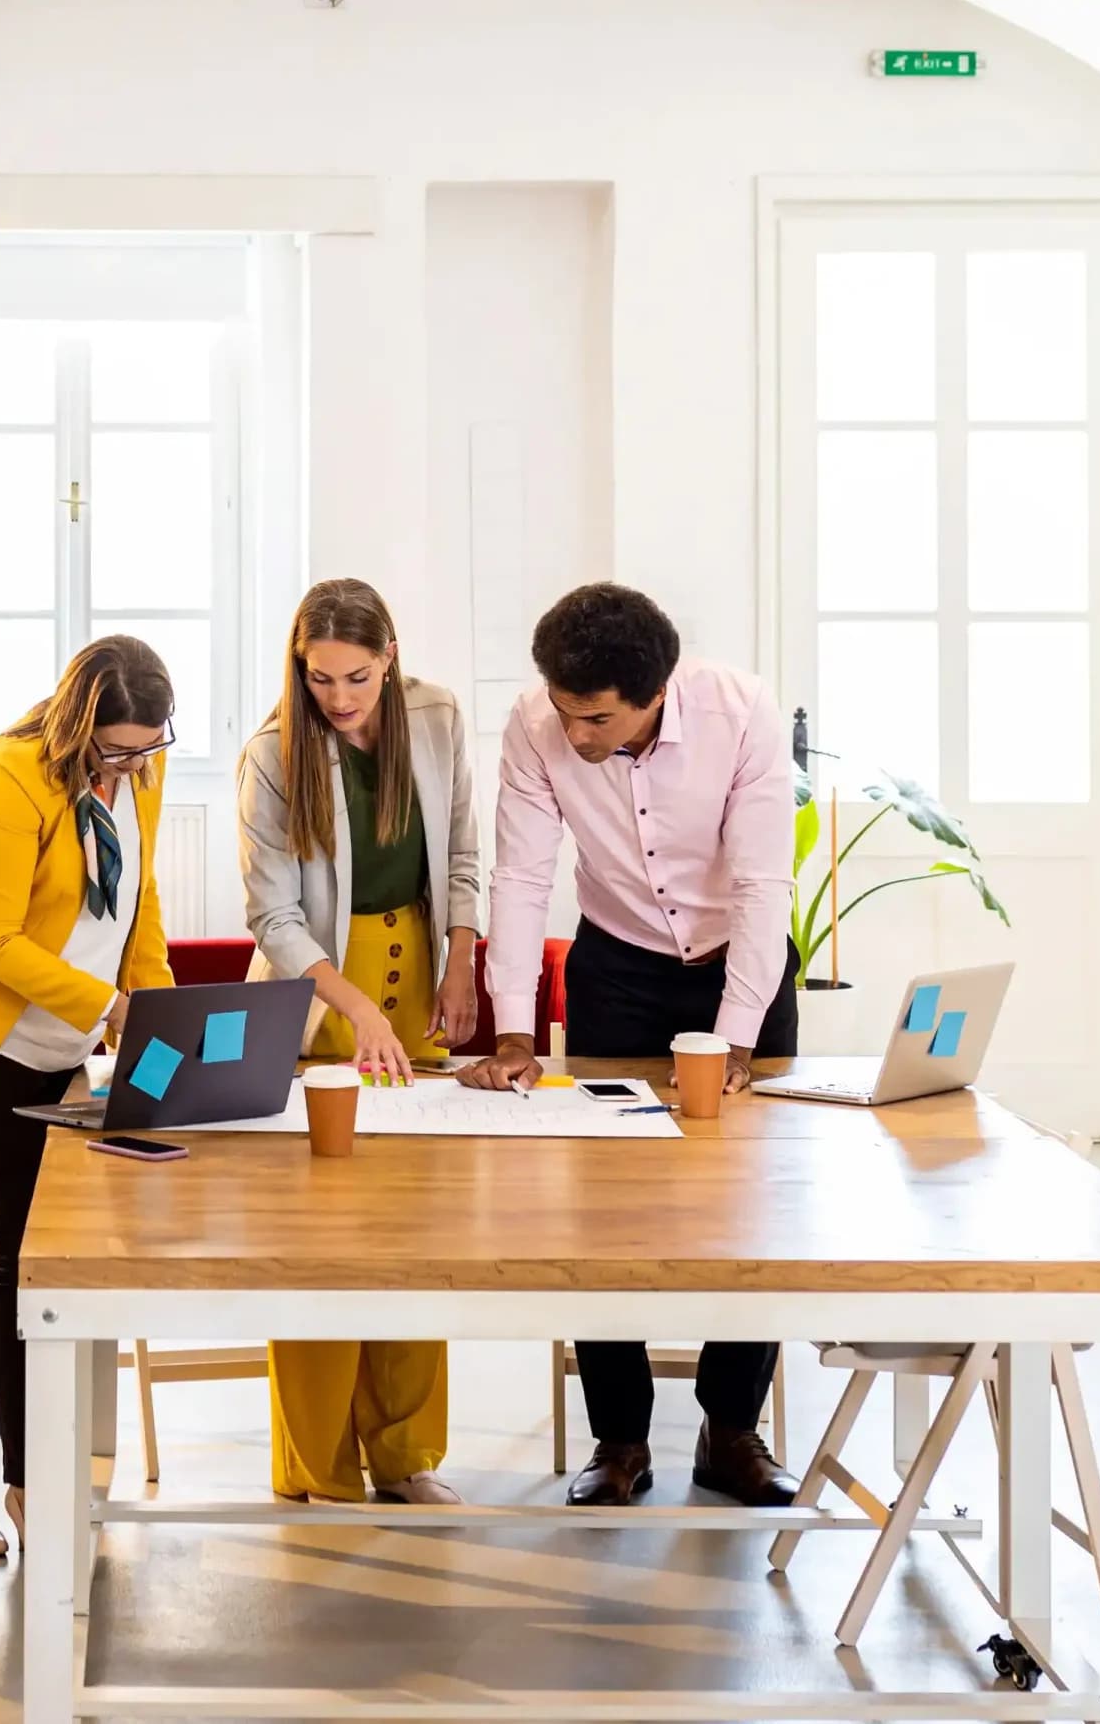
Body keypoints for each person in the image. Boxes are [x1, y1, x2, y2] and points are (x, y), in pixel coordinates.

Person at [457, 582, 801, 1509]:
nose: (574, 734)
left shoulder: (742, 714)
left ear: (654, 693)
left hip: (742, 964)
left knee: (750, 1201)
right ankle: (620, 1437)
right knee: (597, 1204)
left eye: (595, 718)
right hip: (617, 967)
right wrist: (518, 1027)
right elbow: (522, 876)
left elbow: (766, 884)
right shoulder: (537, 724)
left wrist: (734, 1038)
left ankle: (731, 1431)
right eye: (565, 712)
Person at [0, 635, 177, 1555]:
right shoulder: (7, 777)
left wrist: (157, 1019)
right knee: (24, 1253)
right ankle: (29, 1483)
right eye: (118, 748)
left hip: (62, 1043)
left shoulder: (140, 777)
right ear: (81, 722)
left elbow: (141, 910)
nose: (133, 765)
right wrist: (111, 1007)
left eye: (148, 748)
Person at [237, 578, 480, 1504]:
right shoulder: (272, 753)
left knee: (419, 1227)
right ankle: (320, 1465)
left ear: (390, 660)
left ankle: (408, 1455)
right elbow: (274, 914)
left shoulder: (438, 717)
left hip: (414, 973)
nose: (339, 698)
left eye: (358, 677)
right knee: (317, 1234)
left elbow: (460, 852)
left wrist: (461, 962)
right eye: (321, 678)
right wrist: (357, 1011)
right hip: (315, 994)